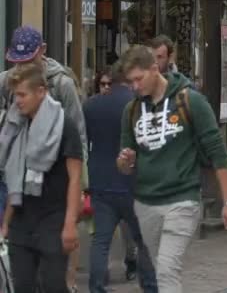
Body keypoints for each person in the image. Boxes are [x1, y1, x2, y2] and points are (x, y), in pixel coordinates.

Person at [116, 46, 227, 292]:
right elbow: (125, 163)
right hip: (146, 202)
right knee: (160, 268)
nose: (135, 87)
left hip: (182, 198)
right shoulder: (132, 110)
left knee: (167, 268)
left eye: (139, 79)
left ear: (154, 69)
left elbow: (217, 152)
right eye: (131, 82)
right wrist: (125, 161)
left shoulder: (190, 100)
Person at [0, 26, 87, 292]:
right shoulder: (7, 85)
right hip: (21, 199)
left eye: (27, 60)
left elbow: (78, 138)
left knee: (53, 281)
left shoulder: (61, 84)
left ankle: (69, 284)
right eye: (17, 61)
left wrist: (79, 200)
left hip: (54, 198)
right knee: (23, 281)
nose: (21, 66)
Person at [85, 62, 157, 293]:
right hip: (133, 183)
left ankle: (96, 286)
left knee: (101, 241)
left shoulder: (91, 106)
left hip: (101, 182)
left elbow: (84, 141)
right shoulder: (139, 106)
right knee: (142, 240)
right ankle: (149, 286)